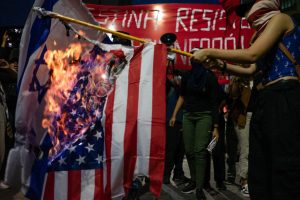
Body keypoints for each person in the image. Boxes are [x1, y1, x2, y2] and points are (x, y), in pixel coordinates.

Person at [192, 0, 300, 199]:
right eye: (244, 12)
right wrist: (220, 65)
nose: (248, 16)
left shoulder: (280, 18)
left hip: (284, 95)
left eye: (249, 7)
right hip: (263, 100)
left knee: (284, 164)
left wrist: (208, 51)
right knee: (259, 164)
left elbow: (252, 55)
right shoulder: (257, 35)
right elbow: (251, 70)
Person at [170, 49, 220, 200]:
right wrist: (174, 114)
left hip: (204, 116)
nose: (193, 59)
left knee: (199, 151)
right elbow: (182, 96)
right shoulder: (187, 76)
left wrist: (216, 126)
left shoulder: (210, 77)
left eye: (196, 56)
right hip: (188, 116)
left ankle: (199, 187)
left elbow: (213, 102)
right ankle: (194, 180)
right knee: (189, 151)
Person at [163, 71, 189, 186]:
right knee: (170, 150)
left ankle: (178, 174)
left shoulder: (186, 88)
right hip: (172, 122)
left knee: (180, 150)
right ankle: (166, 175)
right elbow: (163, 78)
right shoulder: (170, 87)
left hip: (184, 122)